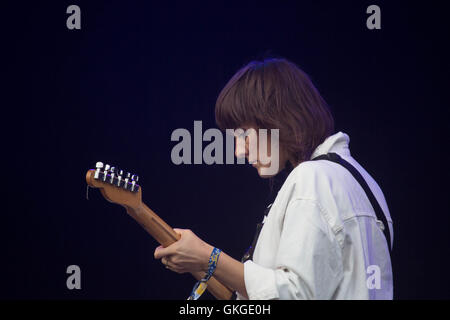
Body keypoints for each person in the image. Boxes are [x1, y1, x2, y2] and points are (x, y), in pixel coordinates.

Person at [154, 58, 393, 300]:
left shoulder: (312, 178)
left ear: (278, 119)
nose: (238, 151)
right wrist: (202, 262)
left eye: (244, 135)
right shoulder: (363, 182)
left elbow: (294, 294)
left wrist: (209, 256)